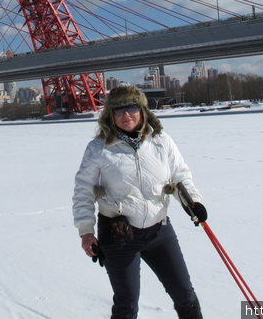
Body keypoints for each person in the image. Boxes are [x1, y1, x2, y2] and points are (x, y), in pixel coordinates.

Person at [72, 85, 207, 319]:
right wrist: (86, 232)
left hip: (159, 231)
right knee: (126, 305)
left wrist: (193, 202)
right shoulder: (98, 148)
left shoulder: (161, 141)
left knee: (185, 294)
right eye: (119, 110)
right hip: (118, 235)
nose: (126, 115)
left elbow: (180, 176)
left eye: (132, 107)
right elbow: (83, 191)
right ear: (110, 115)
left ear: (143, 110)